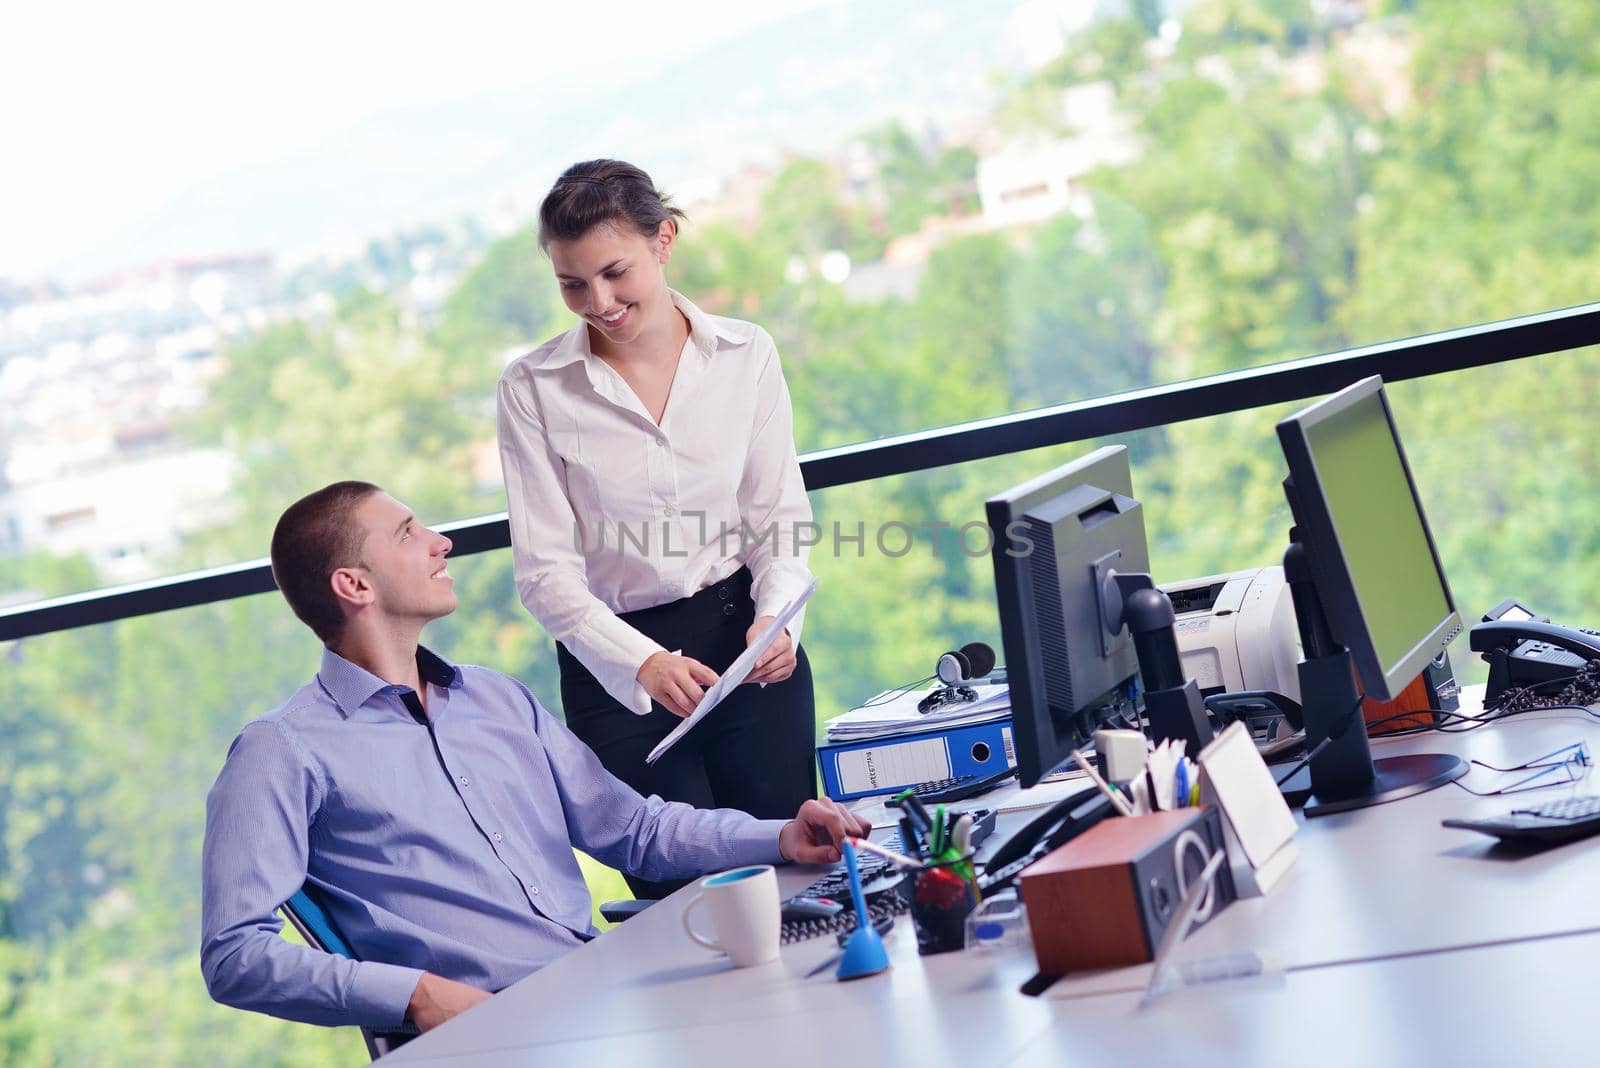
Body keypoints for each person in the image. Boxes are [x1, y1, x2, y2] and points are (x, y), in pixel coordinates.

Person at [199, 481, 867, 1034]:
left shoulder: (493, 698)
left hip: (605, 1003)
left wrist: (778, 835)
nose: (441, 541)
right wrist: (417, 996)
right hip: (494, 1036)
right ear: (354, 585)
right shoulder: (281, 752)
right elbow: (235, 955)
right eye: (407, 533)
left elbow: (635, 832)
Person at [497, 159, 819, 897]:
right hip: (617, 675)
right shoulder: (533, 389)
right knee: (682, 900)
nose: (599, 301)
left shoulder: (747, 355)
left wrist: (779, 622)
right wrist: (641, 661)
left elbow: (780, 520)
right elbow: (545, 574)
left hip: (746, 644)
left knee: (792, 876)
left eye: (615, 273)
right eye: (572, 284)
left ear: (664, 240)